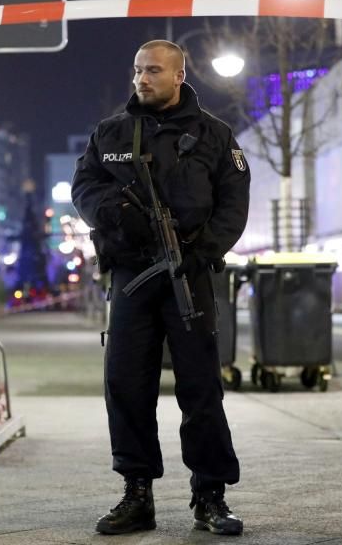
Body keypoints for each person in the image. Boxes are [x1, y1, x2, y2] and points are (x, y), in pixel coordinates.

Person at [71, 40, 250, 536]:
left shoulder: (215, 136)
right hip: (132, 277)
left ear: (178, 74)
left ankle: (210, 495)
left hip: (189, 273)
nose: (142, 79)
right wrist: (116, 213)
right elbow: (83, 186)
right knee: (126, 385)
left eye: (153, 71)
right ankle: (137, 493)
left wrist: (202, 250)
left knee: (200, 389)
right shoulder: (110, 133)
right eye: (137, 70)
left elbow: (234, 204)